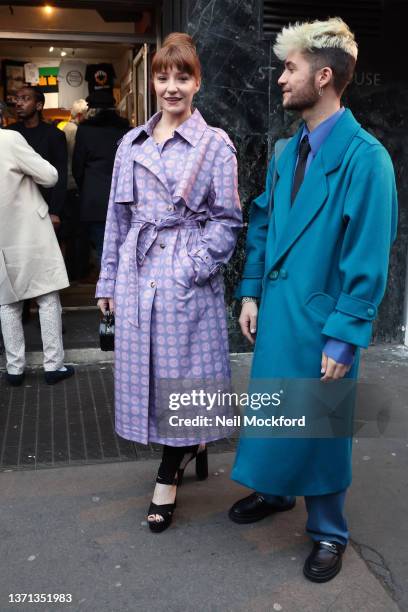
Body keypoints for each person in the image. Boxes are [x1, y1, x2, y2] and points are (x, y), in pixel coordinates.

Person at [229, 17, 397, 583]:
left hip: (323, 321)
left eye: (290, 68)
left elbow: (369, 257)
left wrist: (346, 335)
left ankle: (329, 530)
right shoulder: (285, 152)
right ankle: (276, 493)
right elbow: (263, 222)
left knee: (323, 428)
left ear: (323, 77)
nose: (280, 79)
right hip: (280, 314)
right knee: (276, 410)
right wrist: (250, 291)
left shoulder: (366, 158)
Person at [96, 33, 242, 532]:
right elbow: (117, 220)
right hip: (139, 275)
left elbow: (228, 221)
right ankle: (185, 447)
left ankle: (168, 471)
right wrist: (108, 282)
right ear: (151, 80)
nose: (172, 87)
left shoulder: (214, 145)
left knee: (183, 376)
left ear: (198, 81)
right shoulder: (130, 143)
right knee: (152, 376)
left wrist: (191, 265)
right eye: (163, 76)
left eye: (183, 77)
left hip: (184, 276)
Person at [0, 112, 75, 386]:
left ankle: (14, 369)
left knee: (7, 301)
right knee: (46, 296)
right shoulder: (9, 139)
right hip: (29, 231)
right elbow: (50, 176)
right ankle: (53, 366)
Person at [72, 95, 130, 266]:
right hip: (125, 197)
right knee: (126, 249)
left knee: (103, 250)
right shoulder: (126, 130)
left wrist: (87, 189)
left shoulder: (84, 131)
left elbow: (78, 168)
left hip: (95, 199)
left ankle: (110, 290)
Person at [8, 85, 68, 232]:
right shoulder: (9, 133)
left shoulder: (54, 135)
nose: (18, 103)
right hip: (14, 204)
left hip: (43, 204)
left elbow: (60, 173)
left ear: (39, 105)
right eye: (17, 99)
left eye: (25, 99)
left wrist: (55, 211)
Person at [61, 98, 88, 280]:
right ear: (80, 115)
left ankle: (71, 271)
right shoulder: (77, 132)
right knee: (78, 231)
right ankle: (78, 271)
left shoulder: (63, 130)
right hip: (74, 185)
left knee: (68, 232)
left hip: (65, 185)